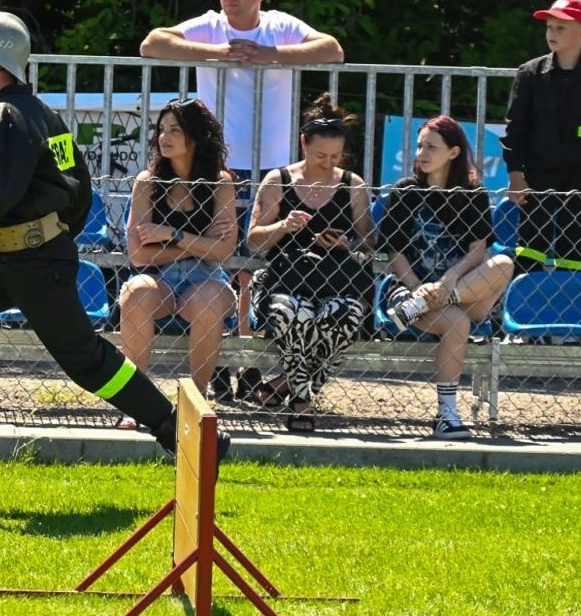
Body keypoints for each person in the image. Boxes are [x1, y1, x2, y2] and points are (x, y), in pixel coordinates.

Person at [0, 12, 205, 473]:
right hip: (11, 260)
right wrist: (50, 237)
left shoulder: (3, 117)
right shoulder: (41, 114)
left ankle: (178, 431)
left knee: (86, 361)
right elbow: (80, 191)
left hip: (33, 264)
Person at [139, 0, 343, 181]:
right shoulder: (210, 24)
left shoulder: (280, 24)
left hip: (275, 165)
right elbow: (151, 44)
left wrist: (269, 54)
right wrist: (219, 52)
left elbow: (332, 49)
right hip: (215, 162)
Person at [244, 94, 375, 432]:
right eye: (320, 156)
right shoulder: (278, 180)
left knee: (347, 314)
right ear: (303, 143)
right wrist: (284, 226)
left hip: (338, 278)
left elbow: (370, 240)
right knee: (293, 314)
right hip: (286, 279)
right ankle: (301, 400)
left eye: (335, 156)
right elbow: (254, 238)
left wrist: (346, 243)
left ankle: (284, 386)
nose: (327, 163)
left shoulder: (352, 185)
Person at [379, 117, 516, 440]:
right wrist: (417, 287)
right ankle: (447, 416)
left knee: (504, 262)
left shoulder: (472, 194)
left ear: (454, 152)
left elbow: (477, 251)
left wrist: (447, 283)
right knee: (457, 324)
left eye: (431, 147)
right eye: (419, 145)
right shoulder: (405, 192)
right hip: (411, 291)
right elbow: (394, 253)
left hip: (462, 292)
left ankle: (435, 301)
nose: (421, 153)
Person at [118, 99, 238, 403]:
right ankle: (138, 400)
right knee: (135, 292)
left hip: (209, 279)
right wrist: (197, 243)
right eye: (161, 129)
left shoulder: (220, 182)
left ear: (195, 137)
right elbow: (138, 256)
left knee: (208, 300)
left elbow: (223, 253)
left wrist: (169, 235)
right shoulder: (147, 183)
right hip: (160, 280)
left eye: (174, 129)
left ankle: (195, 402)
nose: (164, 137)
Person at [500, 0, 581, 273]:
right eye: (549, 27)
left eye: (560, 27)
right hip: (536, 177)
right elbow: (515, 127)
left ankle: (567, 312)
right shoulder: (529, 73)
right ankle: (524, 311)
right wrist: (515, 175)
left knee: (574, 254)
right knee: (529, 253)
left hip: (579, 178)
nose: (551, 33)